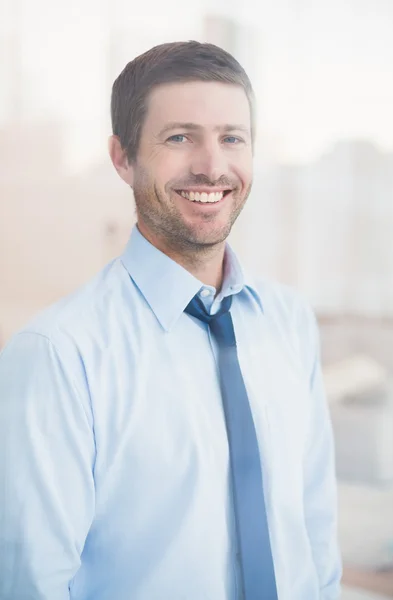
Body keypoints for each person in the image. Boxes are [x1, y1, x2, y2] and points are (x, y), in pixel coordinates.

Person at [0, 41, 342, 599]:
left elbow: (315, 530)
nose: (212, 166)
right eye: (180, 137)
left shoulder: (290, 321)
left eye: (232, 137)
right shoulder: (58, 353)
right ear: (122, 157)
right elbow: (29, 586)